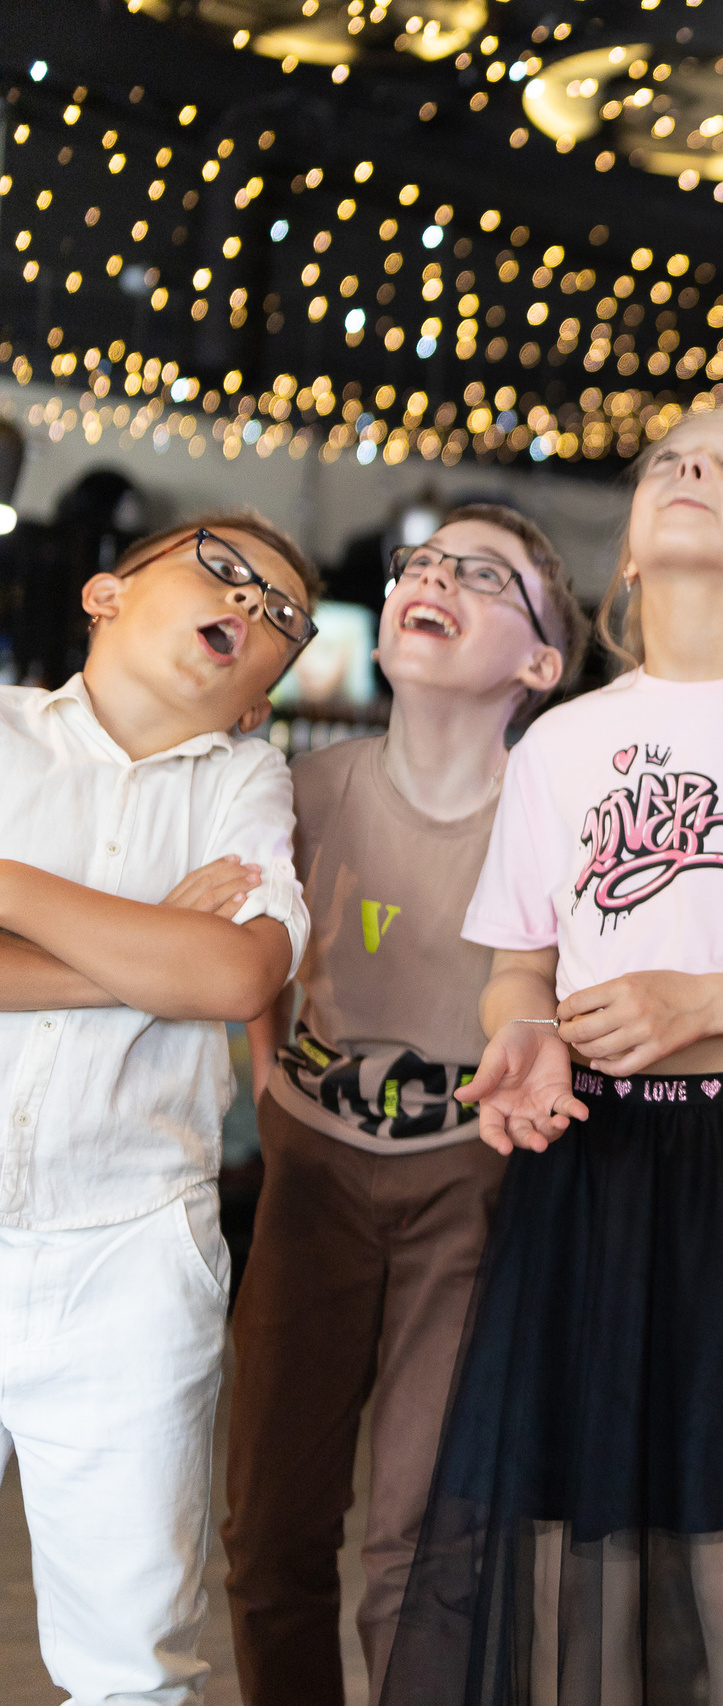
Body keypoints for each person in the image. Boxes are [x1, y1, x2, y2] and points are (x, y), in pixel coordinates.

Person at [378, 409, 723, 1705]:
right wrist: (523, 1035)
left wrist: (707, 998)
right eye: (671, 461)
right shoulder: (562, 740)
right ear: (625, 551)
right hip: (588, 1163)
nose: (691, 471)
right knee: (575, 1532)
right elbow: (522, 960)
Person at [222, 505, 586, 1705]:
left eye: (482, 575)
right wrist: (270, 1075)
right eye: (422, 566)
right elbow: (256, 950)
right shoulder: (303, 786)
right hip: (313, 1171)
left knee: (421, 1539)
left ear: (539, 660)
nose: (433, 579)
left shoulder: (558, 816)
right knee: (271, 1522)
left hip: (473, 1187)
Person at [0, 512, 315, 1704]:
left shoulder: (248, 779)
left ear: (261, 693)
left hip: (131, 1251)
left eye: (284, 613)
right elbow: (190, 968)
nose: (259, 603)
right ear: (105, 595)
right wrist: (143, 957)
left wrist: (17, 890)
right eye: (226, 568)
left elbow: (237, 976)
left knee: (133, 1664)